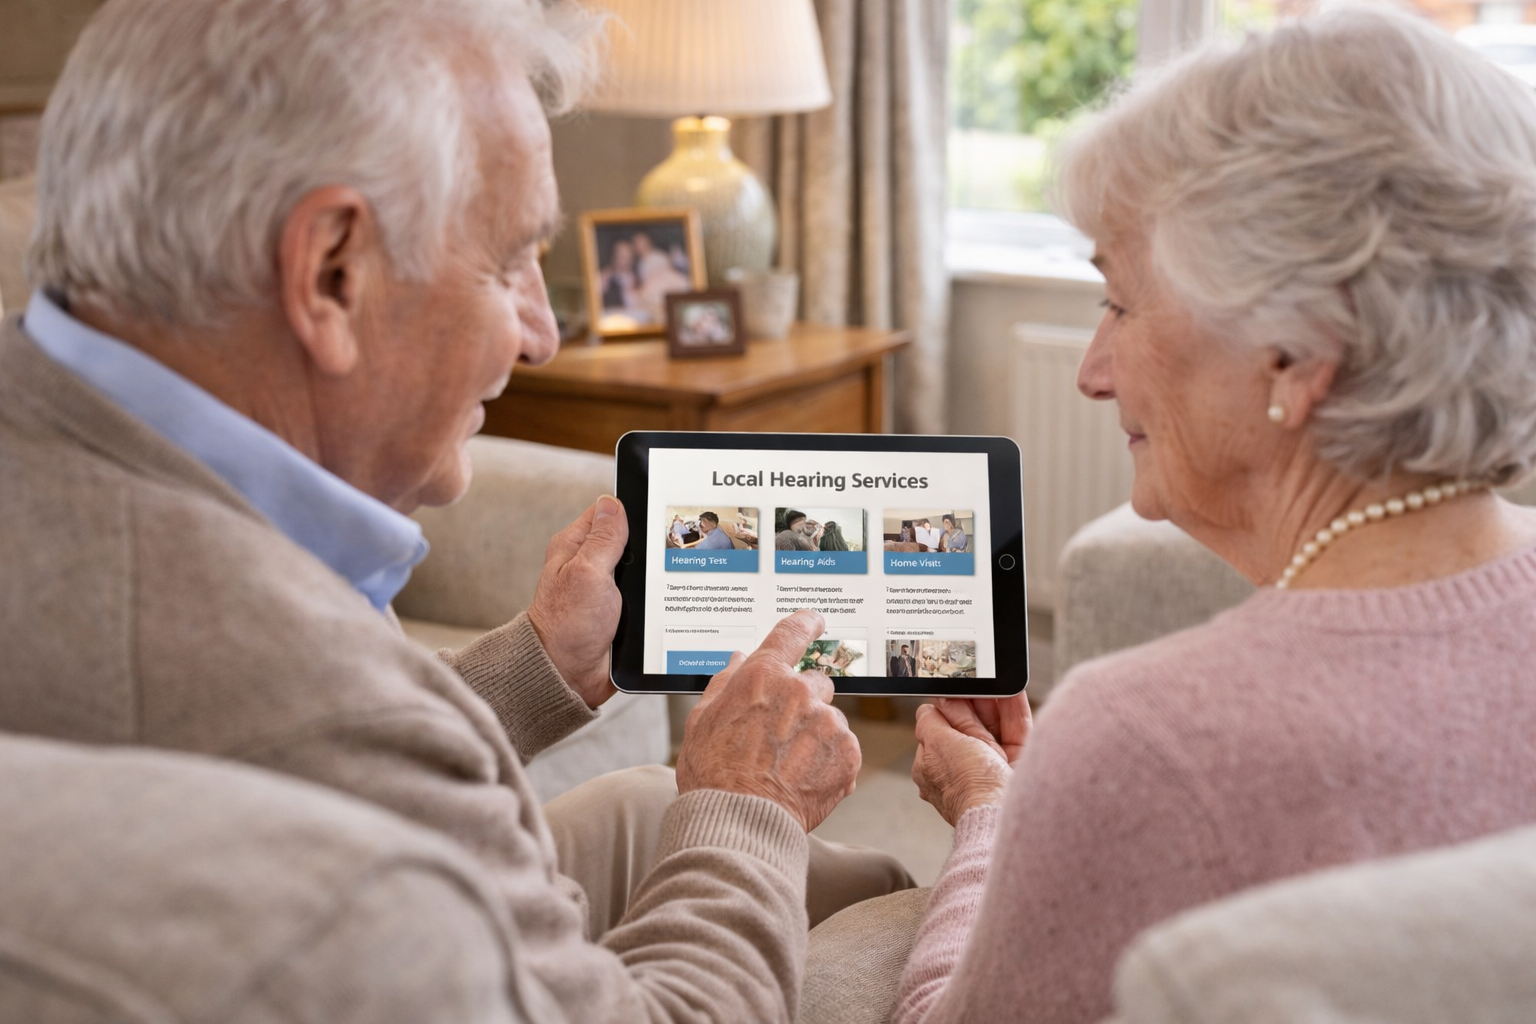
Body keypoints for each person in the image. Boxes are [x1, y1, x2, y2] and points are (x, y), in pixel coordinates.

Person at [0, 2, 913, 1021]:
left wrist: (538, 665)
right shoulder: (300, 694)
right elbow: (331, 730)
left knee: (656, 805)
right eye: (512, 257)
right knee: (908, 933)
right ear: (333, 271)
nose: (541, 334)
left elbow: (336, 755)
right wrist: (748, 804)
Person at [890, 10, 1536, 1024]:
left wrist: (988, 818)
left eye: (1119, 302)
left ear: (1296, 351)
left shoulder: (1145, 736)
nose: (1091, 372)